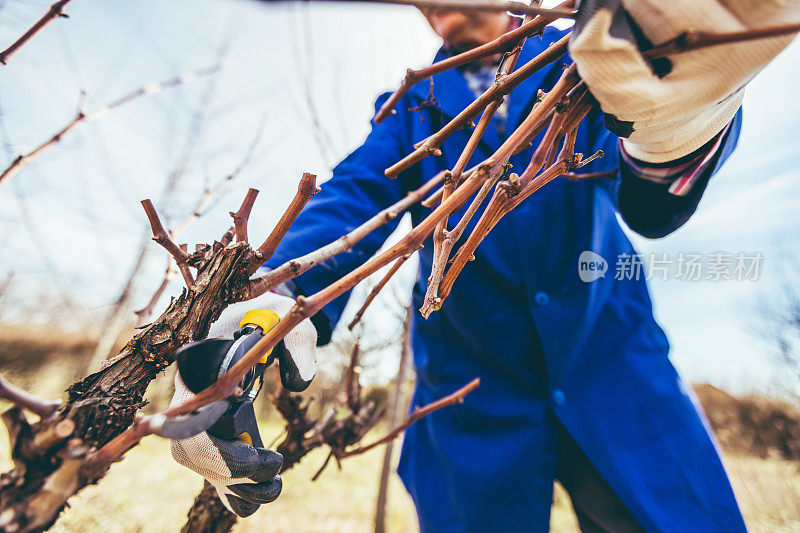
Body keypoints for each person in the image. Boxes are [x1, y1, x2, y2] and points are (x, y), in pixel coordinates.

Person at [170, 1, 800, 531]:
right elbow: (354, 195)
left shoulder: (585, 55)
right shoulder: (413, 105)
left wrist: (683, 112)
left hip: (613, 366)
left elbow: (650, 185)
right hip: (469, 386)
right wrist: (272, 305)